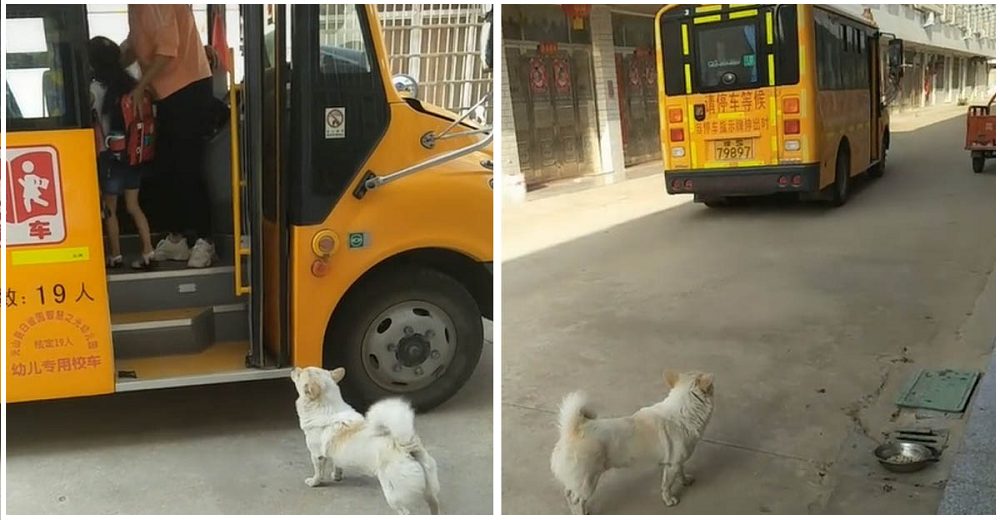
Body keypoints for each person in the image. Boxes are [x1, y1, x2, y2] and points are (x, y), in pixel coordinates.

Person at [121, 4, 217, 268]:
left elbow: (167, 51)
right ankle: (177, 238)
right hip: (167, 92)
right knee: (166, 168)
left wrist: (140, 86)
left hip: (188, 88)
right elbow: (136, 43)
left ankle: (205, 240)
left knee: (189, 167)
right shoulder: (135, 8)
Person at [88, 36, 156, 270]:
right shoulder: (132, 83)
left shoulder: (94, 89)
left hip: (111, 156)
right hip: (134, 155)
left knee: (111, 210)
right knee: (134, 206)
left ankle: (116, 256)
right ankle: (148, 251)